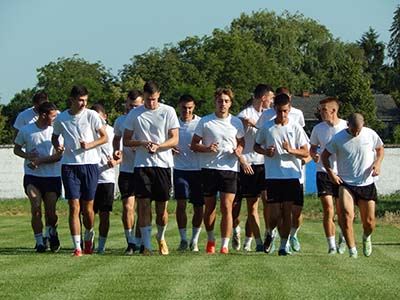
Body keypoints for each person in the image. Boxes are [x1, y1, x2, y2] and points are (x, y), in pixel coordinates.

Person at [123, 81, 179, 256]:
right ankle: (146, 246)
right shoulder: (135, 114)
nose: (151, 103)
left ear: (159, 95)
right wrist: (141, 142)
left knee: (162, 209)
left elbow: (175, 139)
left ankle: (160, 237)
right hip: (142, 165)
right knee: (144, 204)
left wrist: (159, 146)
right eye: (147, 100)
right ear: (143, 97)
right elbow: (126, 140)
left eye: (154, 99)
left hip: (162, 164)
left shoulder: (168, 111)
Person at [52, 85, 108, 257]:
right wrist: (58, 147)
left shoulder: (92, 115)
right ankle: (77, 247)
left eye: (85, 100)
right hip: (70, 166)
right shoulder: (61, 118)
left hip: (90, 165)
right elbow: (55, 137)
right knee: (73, 206)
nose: (83, 103)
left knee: (88, 207)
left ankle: (88, 235)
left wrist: (89, 145)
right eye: (80, 100)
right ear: (72, 99)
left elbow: (104, 137)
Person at [322, 113, 384, 258]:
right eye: (353, 130)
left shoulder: (370, 134)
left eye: (359, 130)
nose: (356, 133)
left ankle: (366, 237)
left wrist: (377, 164)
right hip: (346, 183)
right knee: (346, 215)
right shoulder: (338, 138)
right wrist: (331, 173)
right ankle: (352, 251)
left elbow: (380, 149)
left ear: (363, 125)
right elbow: (325, 156)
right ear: (348, 125)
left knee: (369, 222)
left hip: (366, 183)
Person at [191, 88, 245, 254]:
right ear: (215, 102)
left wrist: (239, 150)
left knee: (227, 207)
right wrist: (207, 148)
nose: (223, 104)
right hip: (209, 169)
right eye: (220, 101)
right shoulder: (205, 122)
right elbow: (194, 144)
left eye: (226, 101)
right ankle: (211, 239)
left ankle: (225, 245)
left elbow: (241, 142)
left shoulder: (236, 122)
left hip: (229, 169)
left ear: (230, 103)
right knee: (210, 207)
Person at [254, 93, 309, 256]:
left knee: (287, 212)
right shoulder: (267, 127)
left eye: (285, 111)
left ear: (289, 109)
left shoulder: (296, 128)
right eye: (279, 111)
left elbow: (305, 151)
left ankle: (283, 246)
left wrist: (291, 150)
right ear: (274, 109)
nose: (282, 115)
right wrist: (266, 151)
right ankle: (270, 232)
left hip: (291, 175)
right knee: (274, 214)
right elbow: (256, 146)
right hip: (273, 176)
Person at [14, 101, 62, 253]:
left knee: (51, 213)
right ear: (43, 115)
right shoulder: (26, 130)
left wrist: (40, 161)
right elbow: (16, 149)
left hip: (52, 176)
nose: (55, 119)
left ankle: (52, 233)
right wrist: (27, 155)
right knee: (35, 208)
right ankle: (40, 242)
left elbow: (59, 156)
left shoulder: (56, 131)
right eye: (53, 116)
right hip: (32, 177)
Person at [233, 84, 274, 252]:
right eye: (270, 98)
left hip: (264, 164)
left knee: (268, 202)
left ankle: (268, 234)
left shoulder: (268, 115)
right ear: (263, 98)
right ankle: (255, 241)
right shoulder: (244, 115)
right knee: (252, 205)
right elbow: (236, 139)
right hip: (248, 164)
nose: (272, 102)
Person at [309, 97, 348, 254]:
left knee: (342, 210)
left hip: (343, 173)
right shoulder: (318, 128)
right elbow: (312, 148)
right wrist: (314, 155)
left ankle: (343, 238)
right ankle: (331, 246)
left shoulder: (346, 126)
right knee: (328, 209)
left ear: (334, 110)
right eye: (320, 109)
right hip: (323, 172)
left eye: (324, 110)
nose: (321, 113)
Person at [112, 90, 144, 255]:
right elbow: (116, 138)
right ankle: (130, 241)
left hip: (143, 168)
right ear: (126, 104)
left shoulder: (145, 120)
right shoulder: (120, 121)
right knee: (127, 206)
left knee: (142, 207)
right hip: (126, 169)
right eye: (130, 105)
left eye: (136, 106)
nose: (133, 109)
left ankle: (140, 241)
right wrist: (116, 151)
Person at [173, 94, 204, 252]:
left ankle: (195, 240)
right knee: (181, 203)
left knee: (199, 207)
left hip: (198, 170)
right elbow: (167, 140)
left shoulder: (200, 123)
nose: (187, 110)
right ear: (179, 106)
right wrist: (170, 148)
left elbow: (206, 142)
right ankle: (183, 239)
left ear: (194, 107)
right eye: (184, 107)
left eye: (190, 108)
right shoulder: (174, 122)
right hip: (180, 169)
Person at [91, 103, 121, 254]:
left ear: (105, 116)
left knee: (104, 214)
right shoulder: (88, 131)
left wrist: (115, 161)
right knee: (88, 213)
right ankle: (88, 239)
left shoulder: (112, 132)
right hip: (90, 178)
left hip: (106, 179)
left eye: (99, 116)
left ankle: (101, 246)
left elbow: (120, 154)